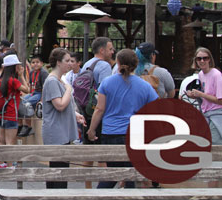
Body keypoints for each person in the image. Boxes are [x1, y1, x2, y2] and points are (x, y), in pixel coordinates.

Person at [87, 48, 158, 189]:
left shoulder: (107, 83)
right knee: (131, 173)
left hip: (110, 133)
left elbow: (100, 109)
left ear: (117, 63)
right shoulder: (145, 86)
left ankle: (98, 195)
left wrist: (91, 130)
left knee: (114, 173)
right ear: (136, 64)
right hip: (134, 134)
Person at [41, 48, 86, 189]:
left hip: (62, 130)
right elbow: (59, 105)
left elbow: (65, 106)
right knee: (58, 172)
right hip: (56, 131)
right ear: (58, 63)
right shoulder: (53, 81)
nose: (70, 64)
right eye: (67, 61)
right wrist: (68, 90)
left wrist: (75, 114)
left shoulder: (59, 80)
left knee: (60, 170)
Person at [0, 54, 29, 170]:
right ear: (14, 67)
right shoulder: (13, 81)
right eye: (18, 66)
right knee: (10, 141)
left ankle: (1, 163)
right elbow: (27, 90)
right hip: (11, 114)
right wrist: (22, 76)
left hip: (1, 113)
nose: (19, 68)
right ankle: (10, 165)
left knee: (1, 140)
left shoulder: (1, 79)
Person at [78, 36, 115, 144]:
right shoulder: (104, 66)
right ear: (102, 50)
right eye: (110, 49)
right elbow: (105, 91)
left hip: (85, 108)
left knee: (89, 149)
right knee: (101, 153)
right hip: (97, 112)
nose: (112, 52)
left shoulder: (87, 64)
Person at [186, 47, 222, 145]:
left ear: (209, 59)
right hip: (205, 114)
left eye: (205, 58)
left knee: (214, 142)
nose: (202, 61)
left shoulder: (216, 75)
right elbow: (205, 97)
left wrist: (201, 94)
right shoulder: (201, 74)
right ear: (196, 60)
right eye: (199, 58)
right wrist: (195, 96)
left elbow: (220, 100)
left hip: (217, 115)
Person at [18, 54, 48, 137]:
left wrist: (42, 100)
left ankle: (29, 127)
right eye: (33, 62)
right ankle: (21, 125)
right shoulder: (31, 73)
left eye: (37, 62)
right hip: (33, 93)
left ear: (42, 63)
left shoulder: (43, 73)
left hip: (40, 93)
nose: (35, 64)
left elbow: (45, 88)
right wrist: (29, 94)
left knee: (26, 103)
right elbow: (31, 86)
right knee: (20, 101)